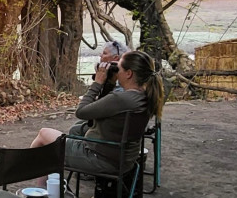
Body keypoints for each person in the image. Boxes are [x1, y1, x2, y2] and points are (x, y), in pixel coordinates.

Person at [31, 50, 164, 176]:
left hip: (101, 159)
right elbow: (101, 109)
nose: (117, 72)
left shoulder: (121, 99)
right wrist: (110, 84)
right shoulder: (145, 96)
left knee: (44, 134)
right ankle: (45, 185)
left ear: (129, 73)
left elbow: (81, 112)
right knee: (77, 129)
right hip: (123, 159)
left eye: (118, 68)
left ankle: (28, 177)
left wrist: (97, 83)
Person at [70, 40, 130, 136]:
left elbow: (81, 112)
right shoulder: (128, 83)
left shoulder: (120, 87)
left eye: (104, 53)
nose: (100, 55)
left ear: (115, 58)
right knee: (79, 124)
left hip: (111, 131)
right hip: (117, 125)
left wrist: (97, 83)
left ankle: (83, 145)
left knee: (75, 130)